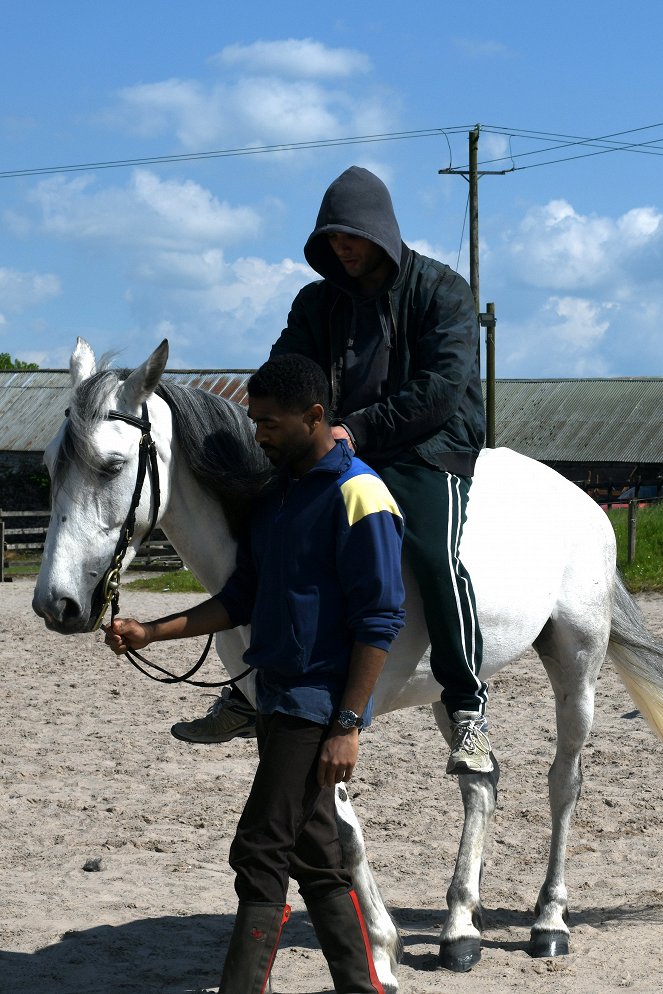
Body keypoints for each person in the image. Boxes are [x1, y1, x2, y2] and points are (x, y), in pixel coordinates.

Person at [174, 165, 493, 777]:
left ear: (382, 231)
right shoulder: (315, 301)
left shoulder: (443, 291)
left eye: (351, 236)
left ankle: (468, 707)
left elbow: (441, 389)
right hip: (342, 441)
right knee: (267, 525)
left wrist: (356, 430)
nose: (341, 248)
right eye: (331, 238)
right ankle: (248, 692)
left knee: (433, 553)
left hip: (430, 446)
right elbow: (286, 369)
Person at [105, 354, 405, 994]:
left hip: (316, 705)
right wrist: (151, 632)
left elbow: (380, 619)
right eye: (254, 421)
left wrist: (348, 724)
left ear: (315, 416)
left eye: (270, 424)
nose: (259, 435)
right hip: (274, 695)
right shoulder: (278, 497)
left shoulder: (361, 494)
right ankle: (364, 987)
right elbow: (240, 597)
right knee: (317, 855)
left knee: (261, 849)